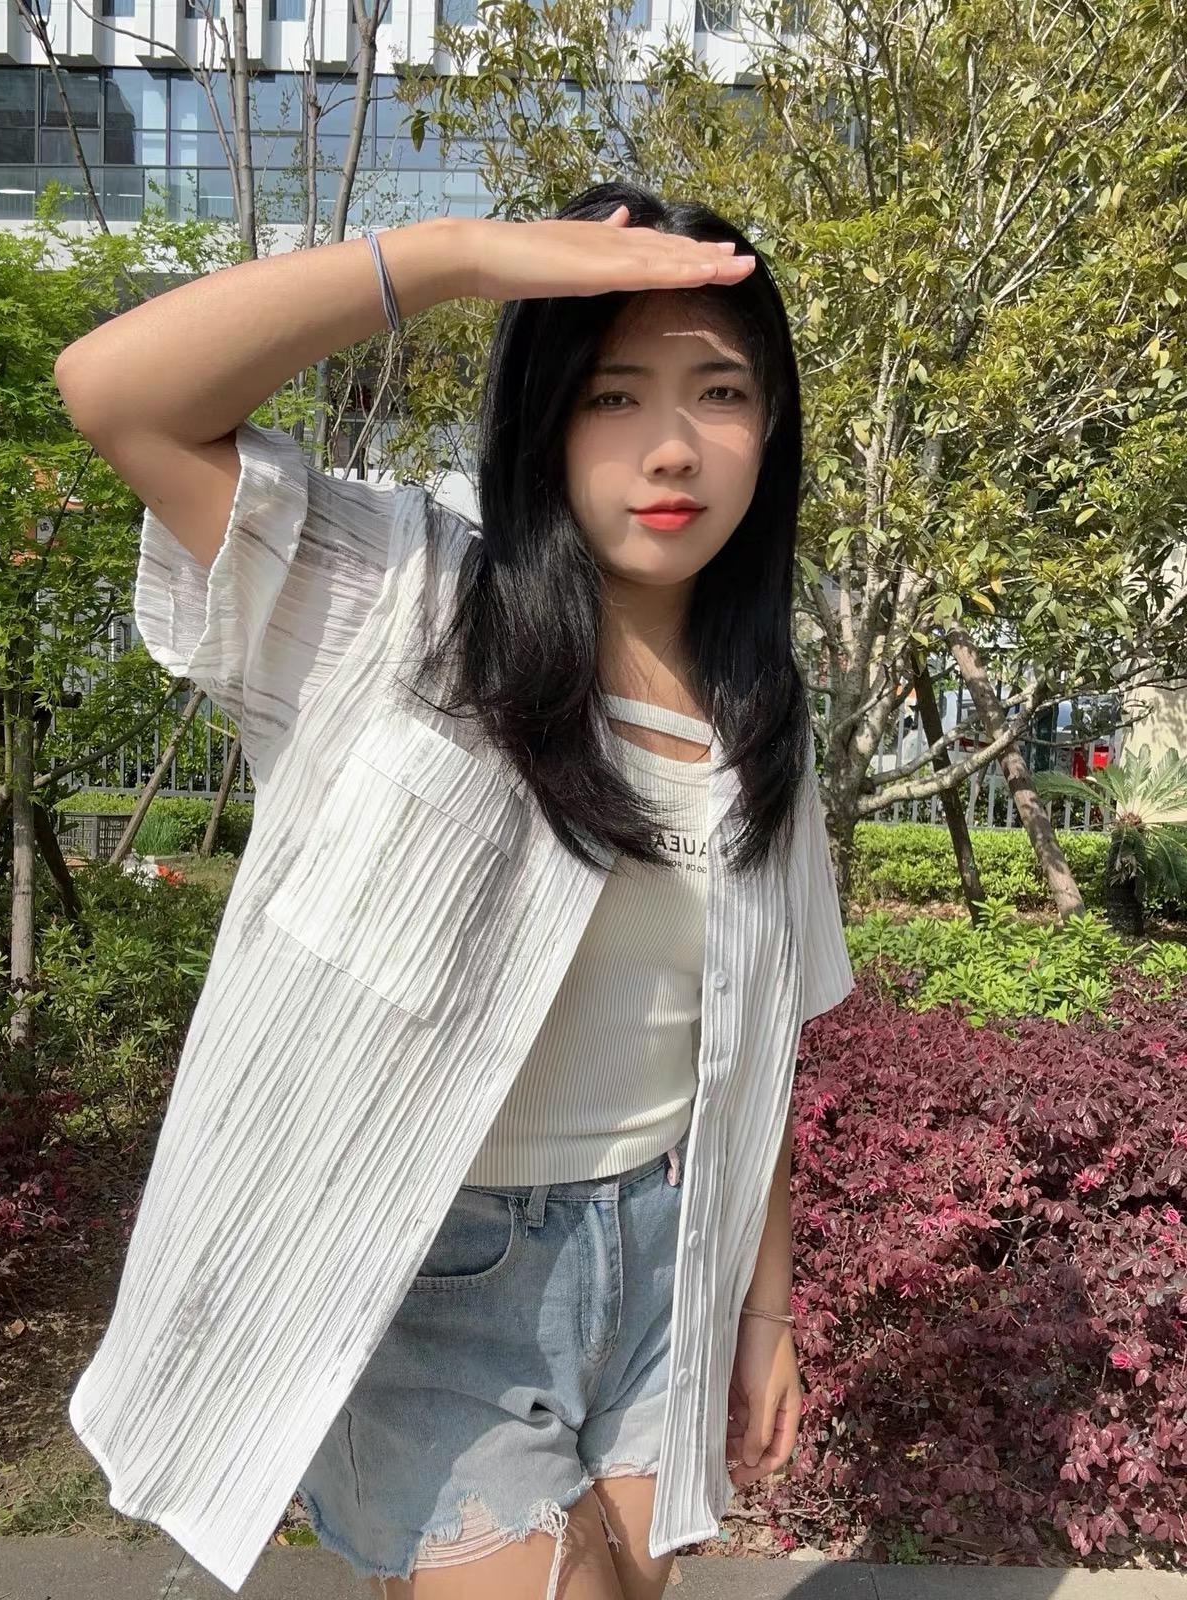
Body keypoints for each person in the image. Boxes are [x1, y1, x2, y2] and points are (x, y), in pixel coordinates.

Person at [55, 179, 853, 1600]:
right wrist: (462, 257)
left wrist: (764, 1307)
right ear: (544, 415)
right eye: (613, 395)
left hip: (666, 1254)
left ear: (771, 426)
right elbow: (121, 394)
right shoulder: (399, 604)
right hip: (429, 1265)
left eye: (721, 392)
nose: (673, 445)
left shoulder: (762, 718)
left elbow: (757, 1042)